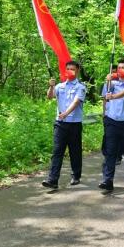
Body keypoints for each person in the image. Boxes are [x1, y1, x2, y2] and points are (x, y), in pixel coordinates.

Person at [42, 61, 87, 190]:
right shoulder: (60, 86)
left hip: (74, 124)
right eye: (68, 69)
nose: (70, 71)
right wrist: (51, 86)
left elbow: (77, 102)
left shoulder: (81, 87)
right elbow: (50, 97)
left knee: (75, 152)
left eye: (72, 69)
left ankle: (76, 175)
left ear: (77, 71)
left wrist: (66, 113)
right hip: (60, 124)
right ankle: (53, 180)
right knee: (57, 152)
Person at [101, 58, 124, 191]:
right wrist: (104, 114)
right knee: (110, 152)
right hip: (111, 121)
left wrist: (114, 96)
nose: (121, 70)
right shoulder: (111, 83)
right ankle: (107, 180)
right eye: (119, 67)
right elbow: (104, 98)